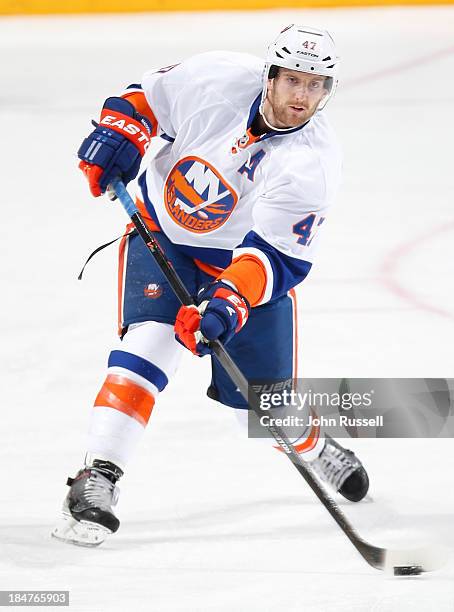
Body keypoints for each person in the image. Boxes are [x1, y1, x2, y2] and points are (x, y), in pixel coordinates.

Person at [52, 24, 369, 547]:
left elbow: (277, 255)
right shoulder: (214, 76)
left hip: (238, 265)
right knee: (144, 349)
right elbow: (144, 99)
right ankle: (97, 477)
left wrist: (227, 303)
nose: (302, 97)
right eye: (293, 80)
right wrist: (121, 132)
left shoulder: (312, 163)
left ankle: (312, 447)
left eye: (316, 86)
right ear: (269, 76)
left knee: (268, 403)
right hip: (164, 235)